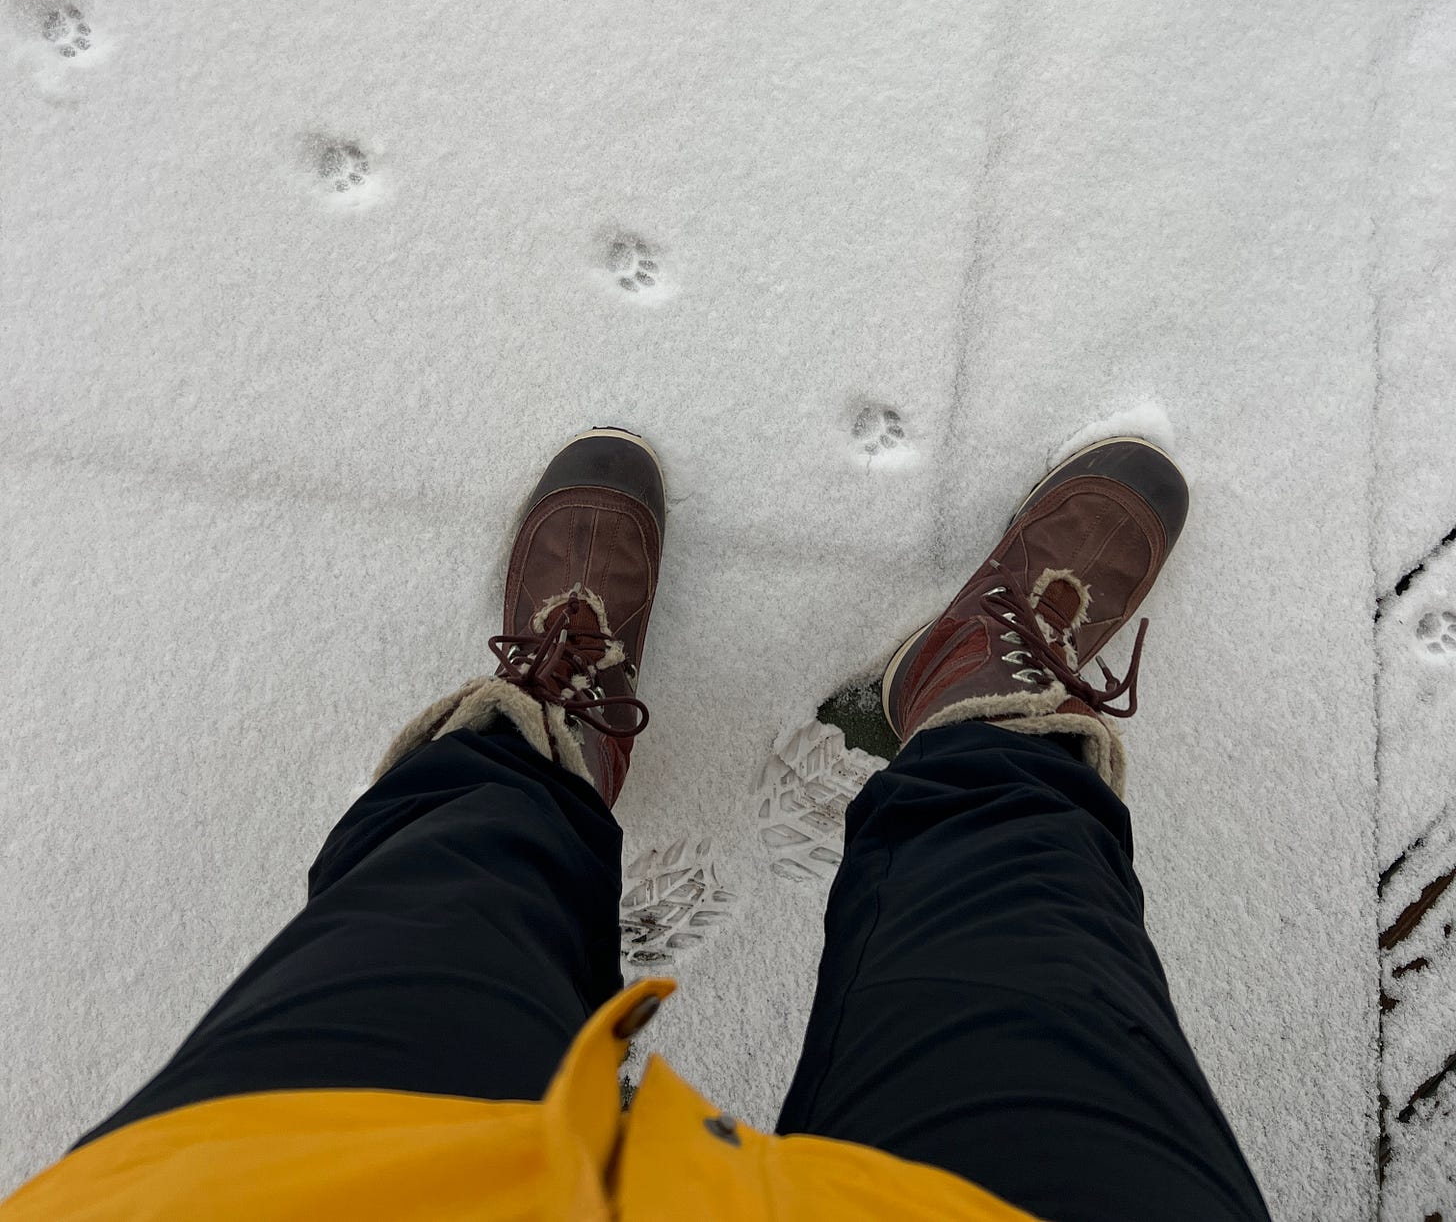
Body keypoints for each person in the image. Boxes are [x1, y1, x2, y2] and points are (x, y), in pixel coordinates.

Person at [3, 428, 1273, 1222]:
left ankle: (542, 751)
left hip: (309, 1189)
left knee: (445, 891)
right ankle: (975, 721)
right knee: (1024, 913)